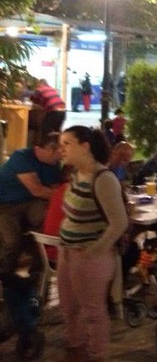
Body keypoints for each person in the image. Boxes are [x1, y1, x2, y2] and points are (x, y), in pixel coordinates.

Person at [57, 126, 128, 362]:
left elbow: (119, 222)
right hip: (68, 251)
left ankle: (96, 355)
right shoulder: (76, 174)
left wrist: (94, 250)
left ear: (85, 146)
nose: (61, 149)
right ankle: (75, 350)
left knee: (93, 312)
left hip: (89, 255)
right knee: (69, 308)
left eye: (67, 143)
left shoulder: (103, 178)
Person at [0, 132, 62, 277]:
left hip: (29, 202)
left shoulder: (53, 164)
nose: (62, 156)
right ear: (50, 149)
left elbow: (53, 191)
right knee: (12, 241)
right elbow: (37, 190)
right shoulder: (22, 157)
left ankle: (37, 272)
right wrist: (64, 195)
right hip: (5, 204)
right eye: (60, 152)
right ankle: (5, 274)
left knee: (45, 224)